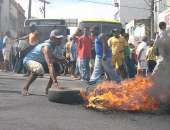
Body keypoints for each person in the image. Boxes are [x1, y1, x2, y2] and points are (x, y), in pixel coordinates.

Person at [22, 29, 65, 96]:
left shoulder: (53, 46)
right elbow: (50, 64)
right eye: (58, 38)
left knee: (57, 67)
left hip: (39, 62)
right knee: (38, 68)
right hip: (28, 61)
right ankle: (25, 88)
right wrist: (55, 82)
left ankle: (47, 90)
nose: (60, 40)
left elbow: (52, 57)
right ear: (52, 38)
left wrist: (60, 60)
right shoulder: (46, 47)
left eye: (60, 38)